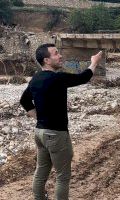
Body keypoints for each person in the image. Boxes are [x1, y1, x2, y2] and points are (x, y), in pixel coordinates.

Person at [20, 43, 103, 200]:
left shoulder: (36, 78)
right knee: (62, 176)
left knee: (41, 170)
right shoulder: (57, 78)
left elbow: (24, 101)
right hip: (56, 134)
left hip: (40, 133)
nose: (60, 56)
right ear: (47, 60)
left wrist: (40, 118)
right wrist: (94, 62)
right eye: (56, 53)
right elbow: (84, 77)